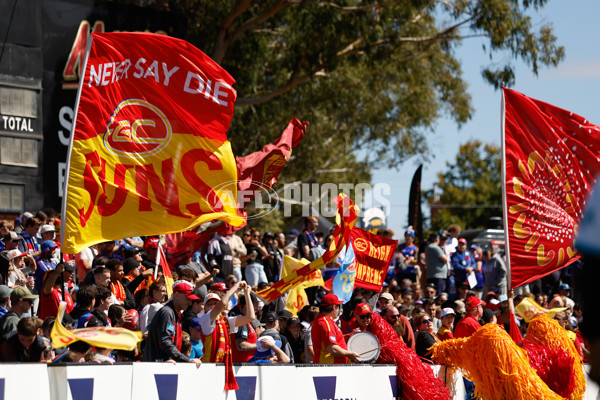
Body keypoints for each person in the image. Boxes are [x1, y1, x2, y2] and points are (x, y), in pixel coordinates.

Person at [142, 280, 202, 366]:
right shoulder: (167, 312)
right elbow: (165, 342)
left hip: (161, 365)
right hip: (157, 366)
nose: (189, 303)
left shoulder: (173, 313)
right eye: (187, 299)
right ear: (176, 294)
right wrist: (187, 360)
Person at [199, 281, 255, 362]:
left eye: (215, 303)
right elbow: (221, 304)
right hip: (209, 363)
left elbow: (250, 317)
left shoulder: (225, 320)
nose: (213, 306)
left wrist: (247, 294)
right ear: (205, 308)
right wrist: (236, 286)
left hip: (222, 364)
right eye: (209, 304)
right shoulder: (205, 318)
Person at [311, 293, 359, 364]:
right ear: (334, 307)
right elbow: (333, 349)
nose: (339, 309)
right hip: (330, 367)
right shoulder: (326, 323)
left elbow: (328, 340)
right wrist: (349, 354)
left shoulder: (323, 320)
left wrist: (349, 335)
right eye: (339, 306)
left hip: (330, 366)